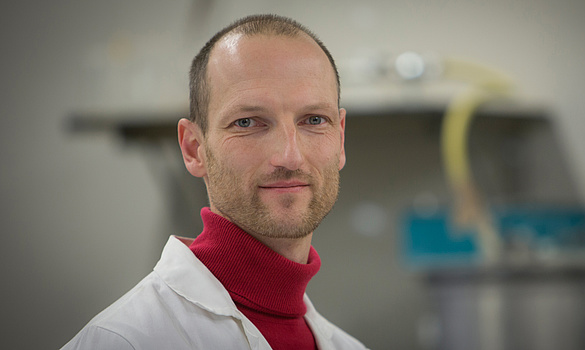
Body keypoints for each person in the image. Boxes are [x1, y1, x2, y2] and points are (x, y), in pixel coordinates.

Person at [62, 14, 368, 350]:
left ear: (340, 139)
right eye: (247, 122)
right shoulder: (121, 341)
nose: (289, 156)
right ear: (194, 148)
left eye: (314, 120)